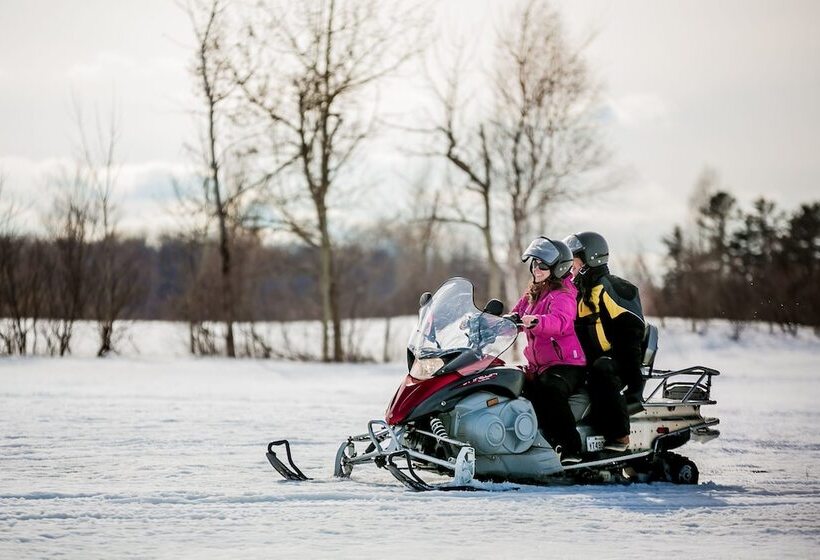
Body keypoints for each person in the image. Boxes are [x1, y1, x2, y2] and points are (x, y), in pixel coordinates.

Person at [563, 231, 645, 452]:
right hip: (589, 360)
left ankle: (619, 436)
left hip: (617, 362)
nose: (571, 267)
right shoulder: (578, 291)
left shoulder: (613, 287)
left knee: (602, 368)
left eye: (574, 261)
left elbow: (631, 331)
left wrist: (633, 380)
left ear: (590, 259)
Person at [511, 237, 587, 465]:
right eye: (534, 263)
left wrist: (537, 321)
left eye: (542, 265)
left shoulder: (564, 293)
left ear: (558, 268)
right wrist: (488, 322)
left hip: (566, 365)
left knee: (549, 392)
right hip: (539, 365)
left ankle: (570, 448)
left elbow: (561, 321)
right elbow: (515, 314)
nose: (536, 268)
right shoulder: (533, 292)